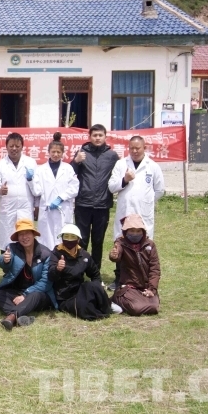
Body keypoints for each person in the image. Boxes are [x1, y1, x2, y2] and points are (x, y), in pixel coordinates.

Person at [107, 135, 165, 290]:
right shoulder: (121, 164)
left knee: (143, 246)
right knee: (121, 244)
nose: (134, 151)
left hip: (142, 212)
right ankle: (119, 279)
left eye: (137, 148)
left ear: (144, 148)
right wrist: (125, 180)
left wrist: (146, 201)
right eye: (131, 148)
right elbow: (111, 187)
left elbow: (159, 190)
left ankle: (143, 280)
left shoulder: (152, 166)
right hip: (125, 211)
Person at [70, 124, 119, 272]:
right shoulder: (81, 152)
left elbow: (119, 174)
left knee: (98, 241)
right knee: (82, 240)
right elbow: (69, 173)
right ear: (90, 137)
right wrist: (76, 161)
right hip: (83, 204)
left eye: (100, 135)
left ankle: (95, 273)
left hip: (102, 205)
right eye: (95, 135)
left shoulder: (112, 156)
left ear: (105, 136)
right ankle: (80, 271)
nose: (97, 138)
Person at [0, 219, 56, 330]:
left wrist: (25, 295)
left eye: (27, 233)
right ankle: (21, 317)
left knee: (35, 295)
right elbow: (3, 262)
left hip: (38, 294)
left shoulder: (45, 253)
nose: (24, 237)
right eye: (21, 234)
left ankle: (11, 317)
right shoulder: (12, 248)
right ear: (17, 237)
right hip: (18, 291)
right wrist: (4, 260)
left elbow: (46, 282)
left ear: (33, 234)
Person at [49, 224, 116, 321]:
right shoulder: (55, 254)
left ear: (78, 239)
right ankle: (99, 309)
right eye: (66, 236)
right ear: (62, 238)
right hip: (64, 297)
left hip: (80, 291)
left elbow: (95, 275)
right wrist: (57, 269)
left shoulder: (84, 255)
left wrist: (97, 291)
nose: (69, 240)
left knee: (93, 285)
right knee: (85, 308)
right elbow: (50, 276)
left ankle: (107, 305)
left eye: (73, 237)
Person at [32, 132, 80, 250]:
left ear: (63, 153)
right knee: (46, 239)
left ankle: (62, 258)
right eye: (53, 152)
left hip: (63, 208)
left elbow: (74, 188)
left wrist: (60, 198)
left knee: (62, 237)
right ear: (48, 152)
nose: (56, 154)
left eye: (59, 152)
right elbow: (37, 191)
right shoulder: (41, 170)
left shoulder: (68, 168)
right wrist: (30, 180)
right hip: (46, 209)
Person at [0, 132, 37, 252]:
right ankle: (7, 263)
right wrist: (0, 190)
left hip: (25, 209)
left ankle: (26, 264)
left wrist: (31, 180)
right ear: (6, 147)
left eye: (17, 146)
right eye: (11, 146)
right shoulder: (0, 165)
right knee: (7, 242)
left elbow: (37, 189)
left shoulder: (30, 163)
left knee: (25, 240)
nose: (14, 149)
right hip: (7, 210)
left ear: (22, 146)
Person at [109, 214, 161, 316]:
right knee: (136, 308)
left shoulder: (150, 245)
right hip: (129, 287)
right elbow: (116, 255)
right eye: (132, 231)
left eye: (138, 231)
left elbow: (155, 269)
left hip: (145, 287)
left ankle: (141, 299)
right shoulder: (121, 243)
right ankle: (117, 298)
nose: (135, 233)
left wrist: (151, 289)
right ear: (126, 231)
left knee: (154, 307)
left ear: (143, 231)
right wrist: (113, 255)